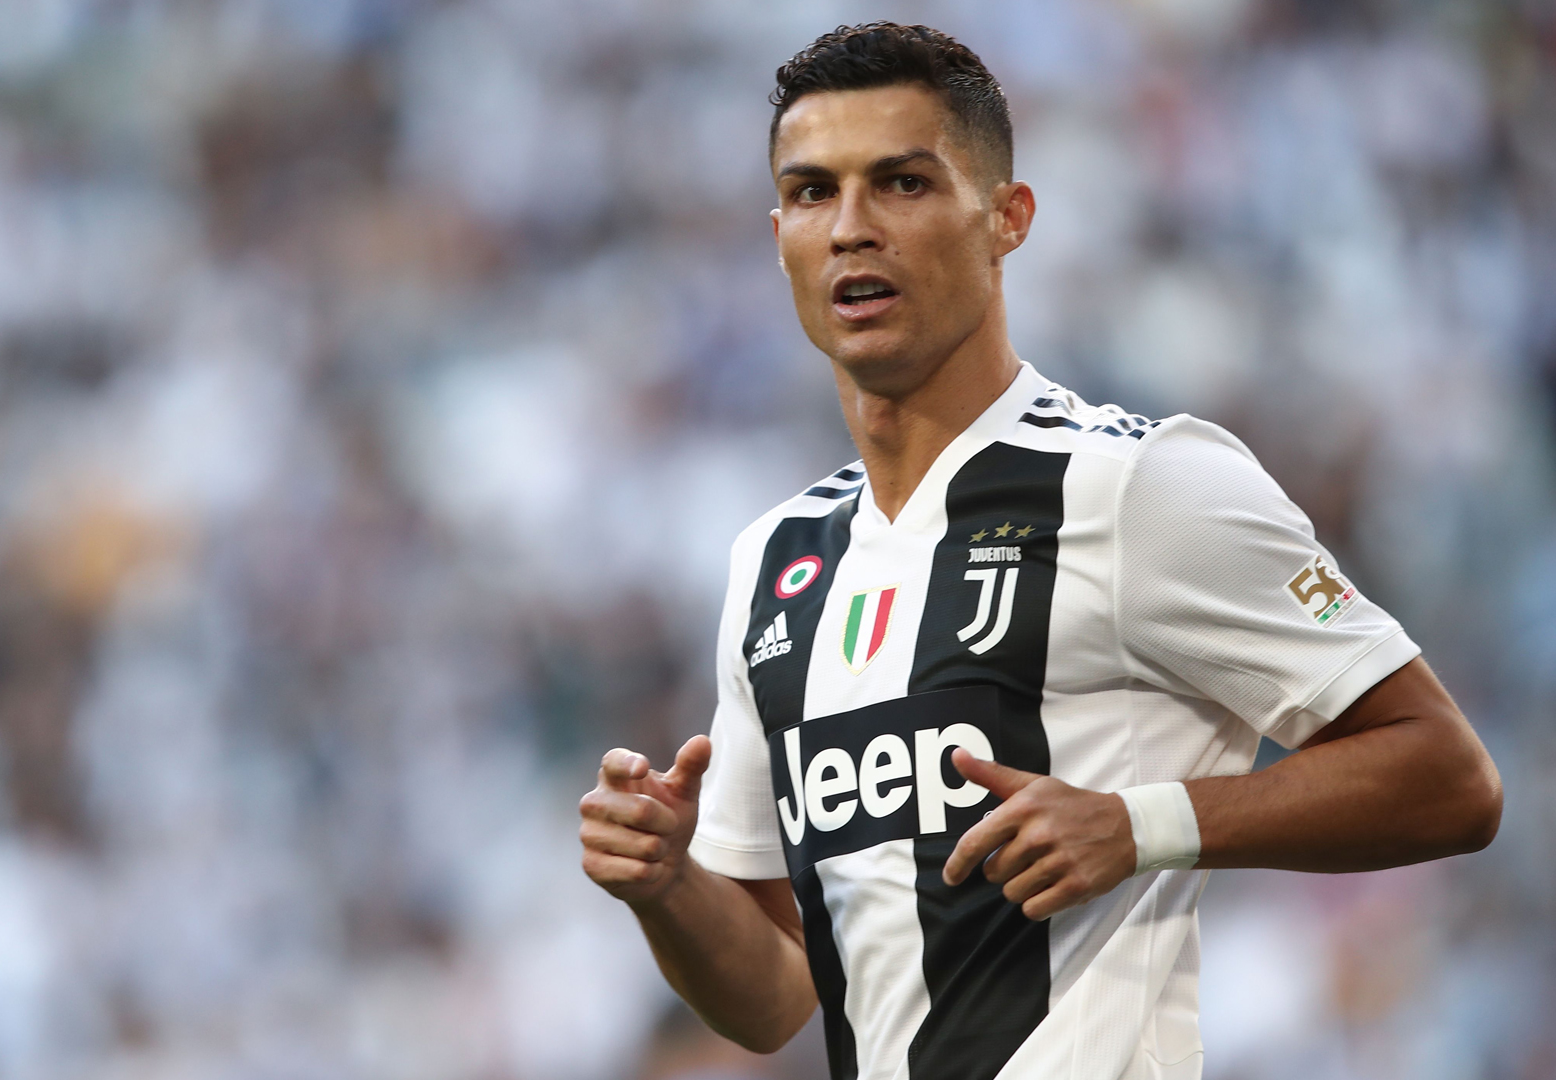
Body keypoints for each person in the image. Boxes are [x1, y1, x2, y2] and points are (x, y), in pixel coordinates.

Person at [578, 22, 1502, 1080]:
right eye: (812, 191)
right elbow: (774, 994)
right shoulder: (777, 563)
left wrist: (1138, 824)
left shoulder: (1139, 485)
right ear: (779, 229)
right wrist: (665, 886)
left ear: (1006, 219)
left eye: (903, 183)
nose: (851, 228)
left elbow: (1449, 776)